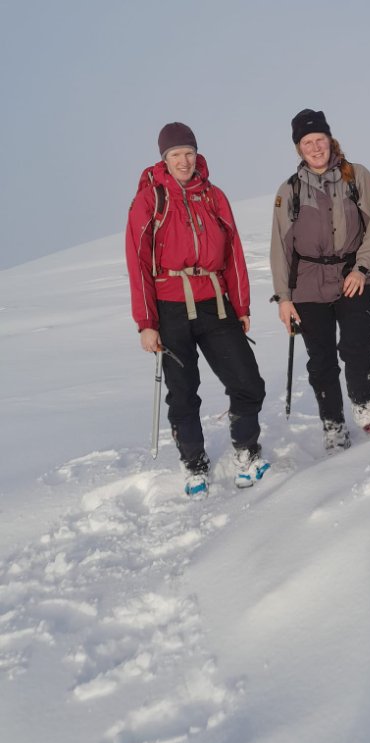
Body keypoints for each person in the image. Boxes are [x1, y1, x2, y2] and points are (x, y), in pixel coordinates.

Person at [126, 122, 267, 497]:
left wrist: (241, 305)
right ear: (164, 158)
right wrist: (146, 322)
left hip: (215, 303)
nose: (184, 161)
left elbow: (233, 252)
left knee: (248, 382)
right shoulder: (150, 201)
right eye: (176, 154)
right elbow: (138, 263)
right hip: (169, 308)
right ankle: (194, 466)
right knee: (183, 393)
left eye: (189, 153)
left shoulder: (214, 196)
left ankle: (246, 452)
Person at [270, 109, 370, 452]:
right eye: (307, 142)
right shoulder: (289, 190)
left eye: (319, 139)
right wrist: (284, 298)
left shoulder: (357, 177)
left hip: (353, 276)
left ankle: (365, 410)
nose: (315, 147)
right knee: (321, 360)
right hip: (307, 285)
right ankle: (333, 425)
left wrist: (362, 269)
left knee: (357, 346)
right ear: (299, 148)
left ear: (330, 139)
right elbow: (280, 248)